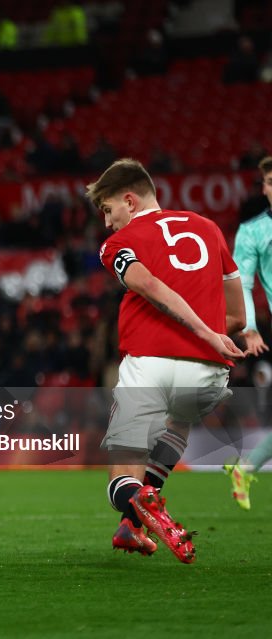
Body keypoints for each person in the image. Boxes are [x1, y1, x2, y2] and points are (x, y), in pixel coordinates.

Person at [92, 158, 245, 563]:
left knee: (120, 481)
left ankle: (136, 502)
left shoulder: (116, 245)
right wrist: (212, 333)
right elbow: (240, 316)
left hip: (150, 365)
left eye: (108, 210)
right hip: (209, 374)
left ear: (129, 199)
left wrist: (200, 329)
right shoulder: (209, 229)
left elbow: (148, 285)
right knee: (178, 421)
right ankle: (134, 525)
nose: (107, 223)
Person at [224, 156, 272, 509]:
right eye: (267, 183)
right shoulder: (253, 231)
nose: (269, 188)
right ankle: (245, 468)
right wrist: (250, 326)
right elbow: (242, 284)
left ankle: (244, 468)